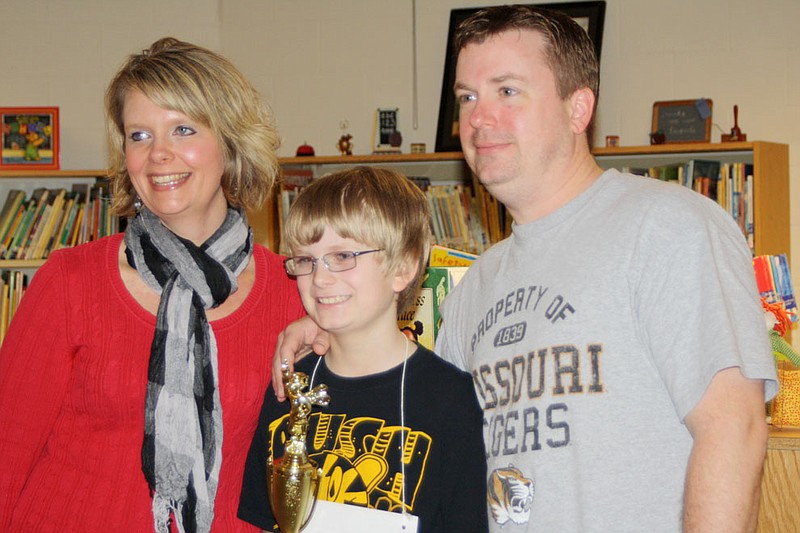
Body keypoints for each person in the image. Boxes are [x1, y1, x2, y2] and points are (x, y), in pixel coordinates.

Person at [273, 5, 778, 532]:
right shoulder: (479, 285)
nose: (478, 117)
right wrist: (336, 326)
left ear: (578, 107)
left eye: (507, 91)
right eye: (467, 97)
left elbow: (733, 429)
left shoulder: (669, 227)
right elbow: (434, 422)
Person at [0, 37, 305, 533]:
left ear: (230, 143)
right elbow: (5, 452)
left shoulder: (293, 293)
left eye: (182, 129)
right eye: (139, 135)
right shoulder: (68, 282)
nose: (158, 154)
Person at [239, 166, 488, 532]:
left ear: (403, 267)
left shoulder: (453, 401)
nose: (320, 278)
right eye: (306, 260)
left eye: (343, 256)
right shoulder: (288, 388)